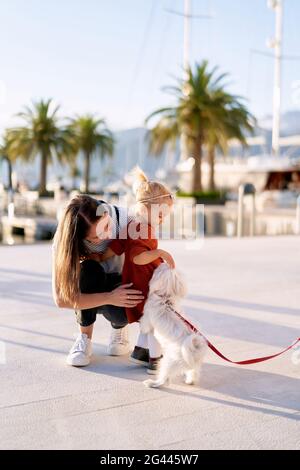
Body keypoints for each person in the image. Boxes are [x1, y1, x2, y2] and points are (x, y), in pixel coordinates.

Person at [52, 194, 144, 367]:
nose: (108, 234)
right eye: (96, 238)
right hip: (92, 287)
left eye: (107, 225)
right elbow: (61, 299)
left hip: (121, 284)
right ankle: (84, 338)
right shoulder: (65, 239)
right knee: (88, 270)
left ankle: (119, 328)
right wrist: (109, 297)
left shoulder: (128, 220)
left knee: (126, 305)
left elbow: (147, 264)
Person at [99, 169, 175, 374]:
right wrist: (160, 253)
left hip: (137, 281)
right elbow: (136, 257)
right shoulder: (143, 229)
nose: (162, 219)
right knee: (154, 322)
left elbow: (115, 247)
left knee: (146, 321)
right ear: (143, 208)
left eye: (164, 216)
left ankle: (140, 352)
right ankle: (155, 360)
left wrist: (98, 257)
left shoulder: (132, 225)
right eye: (160, 214)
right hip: (144, 285)